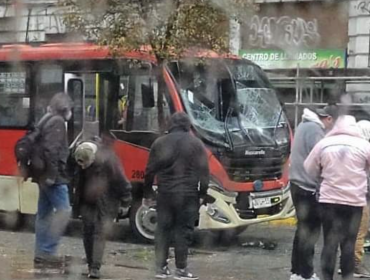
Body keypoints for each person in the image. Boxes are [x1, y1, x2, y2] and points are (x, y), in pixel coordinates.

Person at [143, 112, 209, 280]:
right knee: (183, 232)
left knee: (163, 230)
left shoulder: (160, 143)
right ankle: (181, 270)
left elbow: (150, 171)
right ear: (188, 125)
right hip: (188, 195)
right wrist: (202, 194)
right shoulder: (196, 144)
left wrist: (148, 193)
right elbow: (204, 173)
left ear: (170, 124)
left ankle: (160, 268)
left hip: (165, 194)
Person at [304, 115, 370, 280]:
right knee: (349, 244)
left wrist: (322, 175)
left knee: (329, 244)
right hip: (354, 203)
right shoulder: (364, 145)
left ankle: (327, 278)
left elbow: (308, 168)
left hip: (329, 202)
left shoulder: (324, 143)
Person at [289, 105, 338, 280]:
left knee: (302, 230)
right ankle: (306, 274)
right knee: (310, 233)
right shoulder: (315, 130)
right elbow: (322, 160)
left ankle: (296, 272)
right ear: (329, 118)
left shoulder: (303, 125)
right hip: (308, 187)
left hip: (296, 184)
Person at [74, 140, 132, 279]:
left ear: (93, 158)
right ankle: (90, 264)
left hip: (107, 201)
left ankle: (95, 268)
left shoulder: (109, 160)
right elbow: (78, 180)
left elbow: (121, 181)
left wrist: (126, 200)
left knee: (99, 232)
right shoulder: (81, 153)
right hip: (87, 201)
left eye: (85, 164)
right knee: (87, 232)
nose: (82, 167)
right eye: (80, 164)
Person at [33, 92, 73, 267]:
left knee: (44, 214)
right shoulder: (57, 122)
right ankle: (48, 251)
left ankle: (40, 253)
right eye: (70, 108)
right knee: (64, 212)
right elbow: (51, 151)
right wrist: (52, 175)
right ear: (64, 109)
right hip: (53, 178)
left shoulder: (46, 118)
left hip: (42, 175)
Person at [351, 120, 370, 278]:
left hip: (345, 196)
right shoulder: (365, 148)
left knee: (347, 231)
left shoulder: (349, 146)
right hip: (361, 196)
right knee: (359, 231)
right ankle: (355, 265)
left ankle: (345, 263)